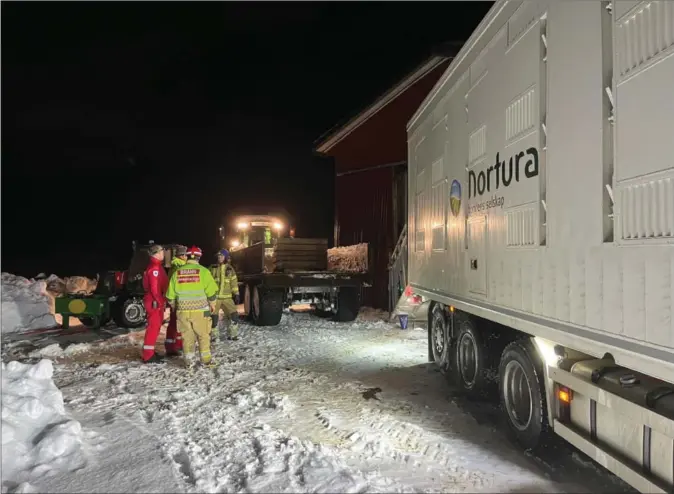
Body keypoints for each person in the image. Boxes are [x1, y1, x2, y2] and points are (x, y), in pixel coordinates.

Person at [166, 245, 218, 368]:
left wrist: (174, 306)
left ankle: (189, 361)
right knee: (203, 335)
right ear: (199, 257)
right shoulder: (204, 272)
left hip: (183, 312)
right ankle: (206, 360)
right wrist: (212, 304)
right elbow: (212, 293)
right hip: (201, 311)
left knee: (186, 336)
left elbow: (169, 296)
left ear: (187, 256)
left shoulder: (177, 272)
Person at [141, 244, 169, 363]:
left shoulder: (156, 266)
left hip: (155, 300)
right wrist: (161, 301)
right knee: (153, 328)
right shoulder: (155, 268)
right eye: (162, 252)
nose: (163, 254)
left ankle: (150, 351)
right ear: (156, 254)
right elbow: (155, 288)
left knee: (155, 327)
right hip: (154, 301)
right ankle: (148, 355)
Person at [209, 249, 240, 342]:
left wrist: (237, 294)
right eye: (218, 256)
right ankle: (214, 337)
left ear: (226, 257)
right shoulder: (212, 268)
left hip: (227, 298)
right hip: (215, 298)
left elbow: (233, 282)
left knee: (234, 316)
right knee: (213, 318)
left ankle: (233, 335)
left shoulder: (230, 269)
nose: (219, 258)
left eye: (221, 256)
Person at [164, 244, 187, 356]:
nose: (187, 257)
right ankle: (171, 347)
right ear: (182, 256)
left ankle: (176, 344)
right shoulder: (179, 267)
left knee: (177, 322)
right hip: (179, 300)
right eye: (185, 255)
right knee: (175, 323)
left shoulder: (175, 266)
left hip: (177, 299)